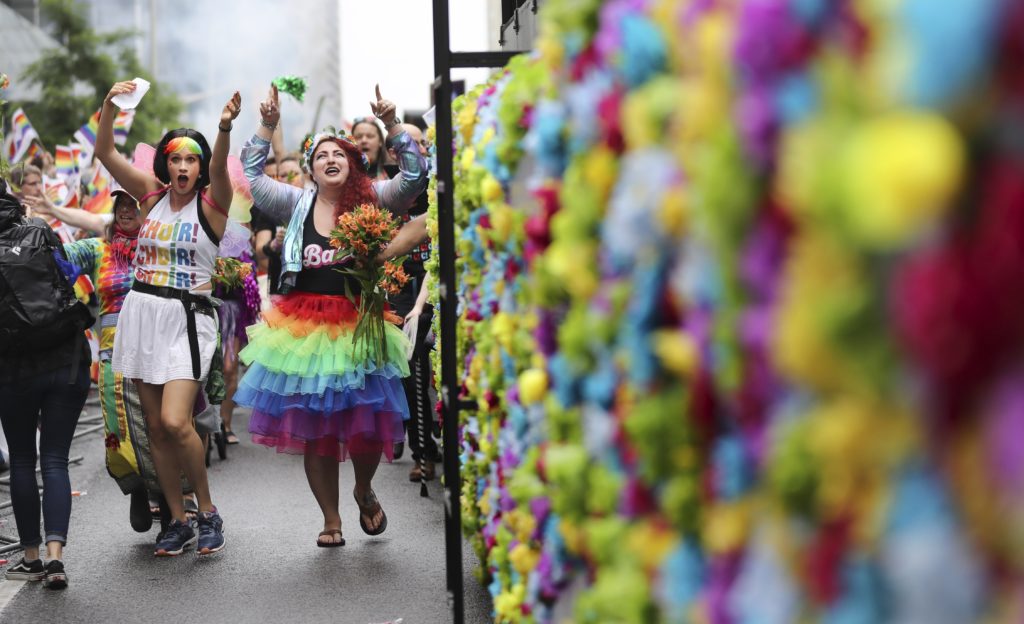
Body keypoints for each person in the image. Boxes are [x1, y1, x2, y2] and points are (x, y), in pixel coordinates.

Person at [234, 84, 426, 546]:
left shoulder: (373, 196)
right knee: (316, 429)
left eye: (338, 153)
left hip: (360, 322)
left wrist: (393, 122)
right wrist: (267, 124)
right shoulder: (295, 202)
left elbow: (417, 178)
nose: (330, 159)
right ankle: (330, 519)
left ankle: (363, 488)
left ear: (352, 162)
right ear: (312, 169)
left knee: (365, 424)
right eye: (321, 156)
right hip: (304, 326)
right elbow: (252, 176)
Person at [96, 79, 239, 557]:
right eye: (175, 158)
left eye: (191, 159)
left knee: (179, 422)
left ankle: (209, 510)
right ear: (165, 164)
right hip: (142, 313)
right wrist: (110, 106)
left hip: (188, 319)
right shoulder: (150, 197)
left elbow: (220, 165)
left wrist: (222, 129)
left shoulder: (212, 204)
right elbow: (104, 152)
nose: (183, 166)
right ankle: (176, 520)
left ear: (200, 168)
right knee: (155, 427)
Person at [0, 179, 93, 589]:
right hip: (65, 356)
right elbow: (66, 280)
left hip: (12, 368)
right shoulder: (39, 229)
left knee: (22, 459)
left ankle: (31, 556)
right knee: (54, 457)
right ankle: (56, 558)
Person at [386, 123, 442, 481]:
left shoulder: (435, 182)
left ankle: (436, 436)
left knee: (431, 364)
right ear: (393, 152)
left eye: (422, 143)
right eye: (409, 144)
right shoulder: (388, 190)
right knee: (409, 367)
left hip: (434, 279)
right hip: (401, 283)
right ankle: (421, 450)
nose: (418, 149)